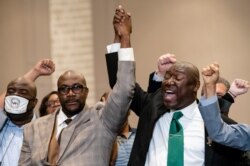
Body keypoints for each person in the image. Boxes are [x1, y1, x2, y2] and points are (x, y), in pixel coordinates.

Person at [107, 6, 249, 166]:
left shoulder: (216, 125)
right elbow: (120, 83)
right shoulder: (152, 108)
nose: (169, 82)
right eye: (167, 77)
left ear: (195, 86)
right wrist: (123, 37)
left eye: (177, 78)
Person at [18, 6, 135, 165]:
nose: (71, 93)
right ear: (58, 94)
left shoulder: (102, 120)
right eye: (64, 89)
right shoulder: (33, 129)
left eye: (77, 87)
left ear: (86, 92)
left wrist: (125, 38)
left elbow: (124, 89)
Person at [0, 59, 55, 166]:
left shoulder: (47, 133)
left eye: (23, 93)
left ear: (34, 102)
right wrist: (35, 71)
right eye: (11, 92)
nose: (15, 96)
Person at [199, 63, 250, 151]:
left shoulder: (232, 125)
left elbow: (217, 120)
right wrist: (230, 96)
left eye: (218, 95)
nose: (213, 102)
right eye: (211, 96)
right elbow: (214, 120)